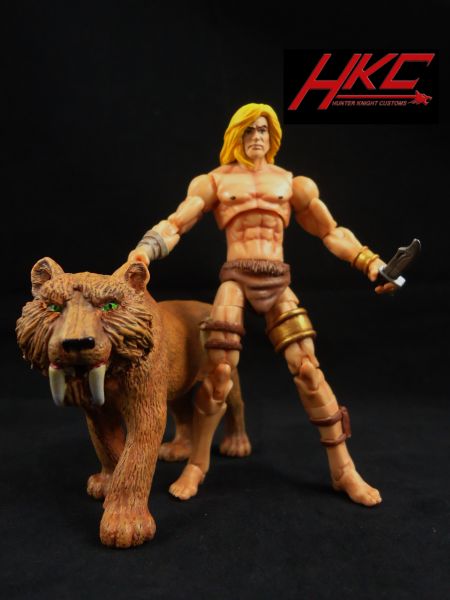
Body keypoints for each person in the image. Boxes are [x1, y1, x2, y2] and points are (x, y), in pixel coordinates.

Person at [129, 103, 396, 506]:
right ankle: (197, 464)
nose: (257, 136)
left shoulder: (292, 183)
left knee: (309, 371)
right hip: (235, 279)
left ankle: (344, 469)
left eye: (263, 130)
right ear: (236, 135)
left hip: (277, 281)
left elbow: (331, 231)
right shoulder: (215, 181)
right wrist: (145, 251)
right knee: (219, 372)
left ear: (273, 136)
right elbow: (177, 222)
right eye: (250, 130)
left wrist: (370, 262)